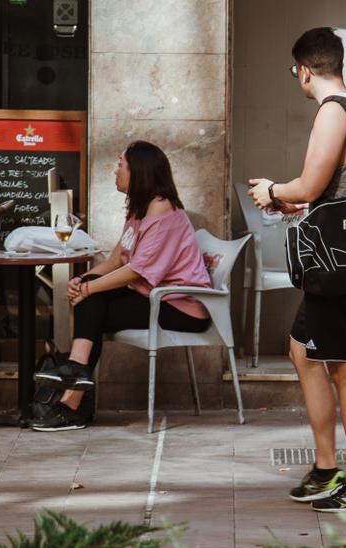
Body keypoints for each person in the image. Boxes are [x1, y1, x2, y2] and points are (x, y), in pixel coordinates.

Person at [247, 27, 346, 513]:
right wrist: (302, 204)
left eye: (296, 72)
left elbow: (309, 184)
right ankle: (327, 468)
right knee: (303, 351)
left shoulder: (333, 111)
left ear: (305, 70)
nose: (298, 79)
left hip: (339, 263)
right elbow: (345, 189)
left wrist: (272, 191)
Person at [30, 141, 213, 432]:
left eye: (120, 164)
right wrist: (84, 280)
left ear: (138, 171)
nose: (115, 170)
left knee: (93, 302)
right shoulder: (140, 208)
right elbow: (118, 258)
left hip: (181, 307)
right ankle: (74, 389)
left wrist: (89, 289)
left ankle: (74, 396)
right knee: (92, 295)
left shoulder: (162, 209)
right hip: (154, 297)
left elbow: (136, 270)